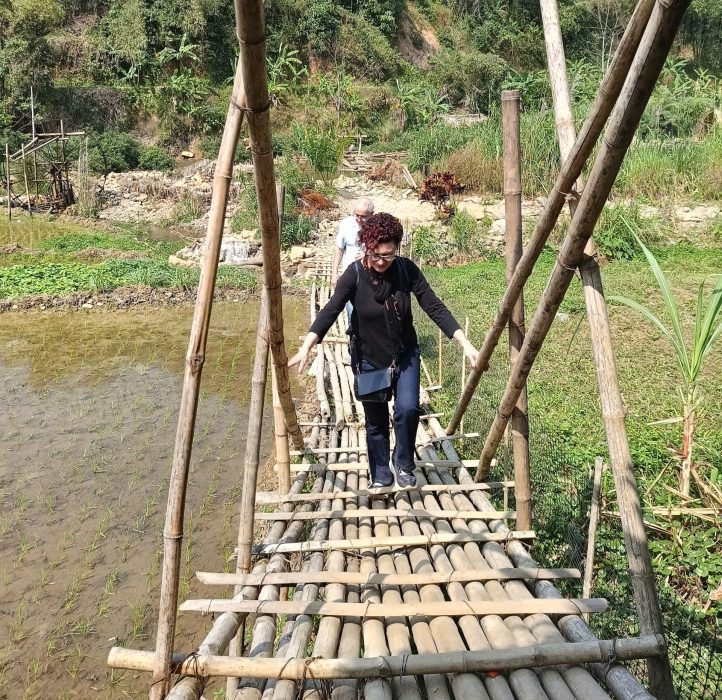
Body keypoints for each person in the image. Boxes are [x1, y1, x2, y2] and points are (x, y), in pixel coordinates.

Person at [290, 213, 478, 490]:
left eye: (388, 255)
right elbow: (331, 310)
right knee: (375, 422)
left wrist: (465, 343)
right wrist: (308, 344)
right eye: (376, 255)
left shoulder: (406, 270)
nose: (381, 261)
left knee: (408, 409)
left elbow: (433, 306)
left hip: (404, 353)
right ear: (366, 247)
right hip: (369, 358)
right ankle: (380, 474)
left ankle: (403, 462)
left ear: (397, 249)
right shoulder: (353, 275)